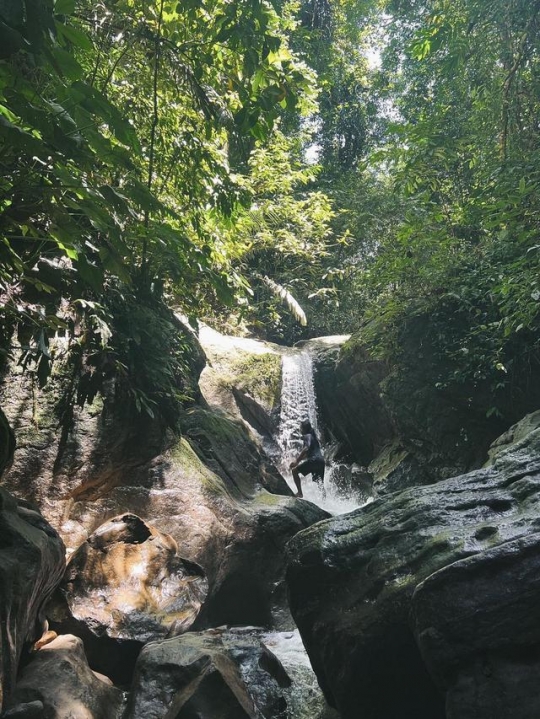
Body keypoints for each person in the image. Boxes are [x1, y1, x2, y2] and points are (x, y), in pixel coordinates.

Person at [290, 419, 325, 498]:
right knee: (320, 484)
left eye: (301, 428)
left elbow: (306, 448)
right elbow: (308, 453)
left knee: (294, 471)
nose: (300, 429)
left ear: (304, 428)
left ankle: (299, 493)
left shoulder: (307, 436)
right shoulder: (314, 437)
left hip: (314, 460)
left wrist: (296, 461)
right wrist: (300, 460)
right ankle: (324, 500)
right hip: (321, 461)